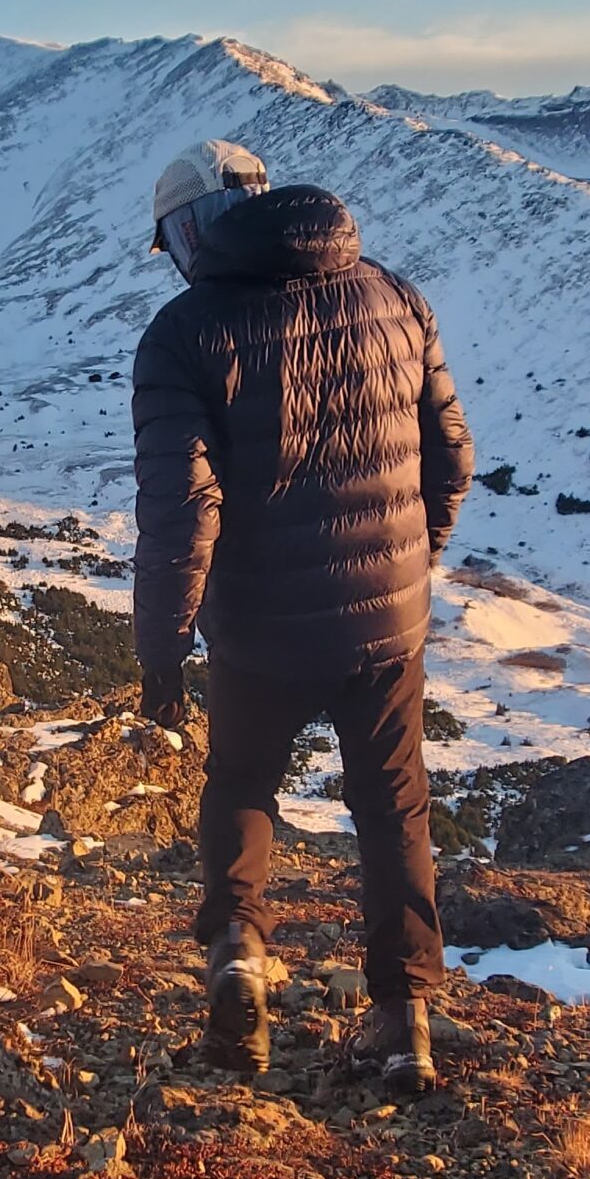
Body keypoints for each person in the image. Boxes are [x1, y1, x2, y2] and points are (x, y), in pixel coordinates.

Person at [131, 139, 473, 1095]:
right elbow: (450, 456)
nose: (176, 257)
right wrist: (410, 562)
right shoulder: (394, 296)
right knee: (394, 806)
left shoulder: (183, 333)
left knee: (241, 784)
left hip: (259, 630)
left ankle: (238, 954)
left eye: (170, 240)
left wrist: (162, 650)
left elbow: (182, 509)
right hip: (388, 629)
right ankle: (404, 1024)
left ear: (191, 227)